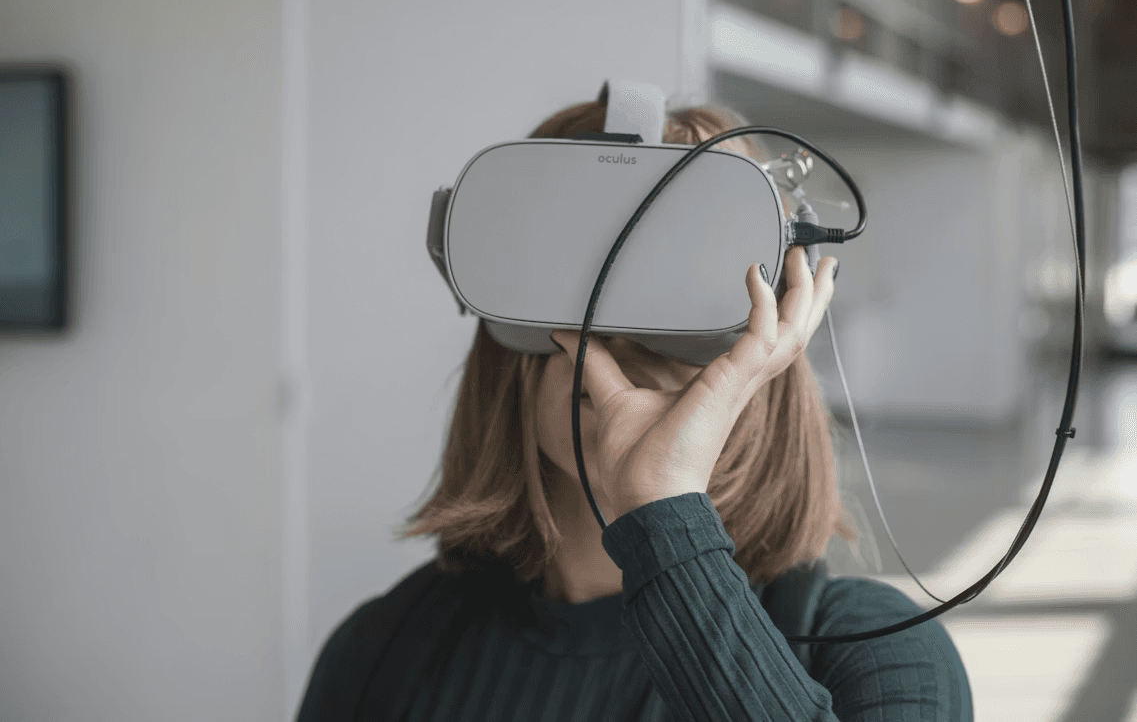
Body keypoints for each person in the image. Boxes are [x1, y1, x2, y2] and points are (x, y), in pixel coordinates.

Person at [296, 96, 974, 721]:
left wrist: (662, 509)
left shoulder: (875, 651)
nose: (618, 338)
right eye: (581, 271)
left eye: (688, 278)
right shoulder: (381, 651)